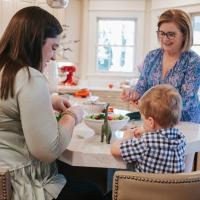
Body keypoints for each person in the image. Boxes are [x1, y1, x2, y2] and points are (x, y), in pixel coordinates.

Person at [0, 6, 103, 200]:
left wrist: (49, 100)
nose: (54, 56)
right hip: (20, 185)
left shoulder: (5, 70)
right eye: (53, 47)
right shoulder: (30, 77)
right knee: (93, 190)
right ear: (35, 41)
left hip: (2, 175)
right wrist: (73, 116)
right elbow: (49, 149)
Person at [121, 9, 200, 123]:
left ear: (184, 34)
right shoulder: (152, 56)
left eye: (171, 34)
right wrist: (132, 93)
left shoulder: (193, 61)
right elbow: (141, 88)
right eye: (161, 33)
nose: (164, 39)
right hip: (155, 124)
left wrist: (146, 104)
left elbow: (184, 102)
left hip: (185, 125)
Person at [112, 84, 186, 173]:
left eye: (143, 119)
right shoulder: (181, 138)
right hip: (172, 186)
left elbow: (114, 150)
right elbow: (160, 135)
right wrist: (144, 130)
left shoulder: (145, 143)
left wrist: (126, 138)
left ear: (151, 121)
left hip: (142, 186)